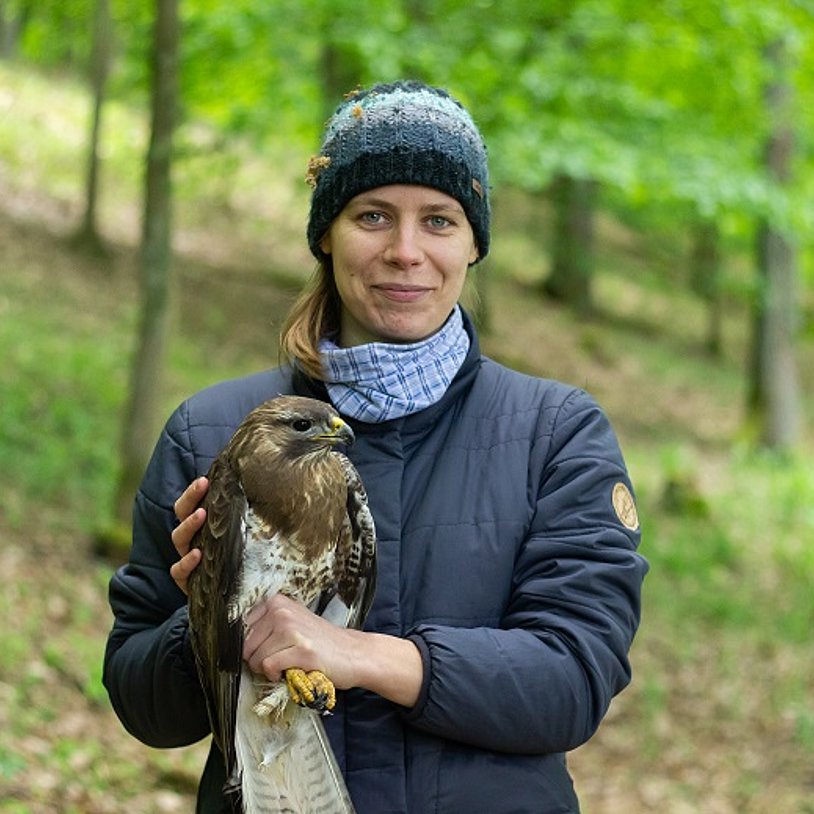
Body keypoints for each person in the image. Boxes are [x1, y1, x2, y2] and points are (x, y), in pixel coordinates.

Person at [104, 80, 648, 814]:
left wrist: (365, 657)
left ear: (474, 244)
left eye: (440, 221)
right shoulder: (212, 432)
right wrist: (214, 617)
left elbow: (575, 679)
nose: (405, 252)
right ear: (326, 232)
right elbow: (143, 705)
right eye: (373, 216)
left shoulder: (555, 434)